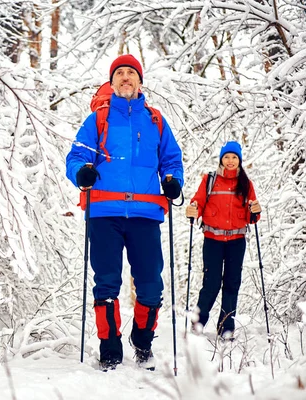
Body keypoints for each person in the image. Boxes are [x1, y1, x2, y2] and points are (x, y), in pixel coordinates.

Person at [65, 54, 184, 371]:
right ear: (112, 81)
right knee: (106, 282)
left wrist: (173, 181)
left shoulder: (155, 120)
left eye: (131, 72)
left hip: (146, 213)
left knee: (150, 285)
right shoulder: (99, 119)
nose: (125, 77)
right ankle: (110, 348)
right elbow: (76, 156)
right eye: (119, 73)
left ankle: (142, 342)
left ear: (140, 81)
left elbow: (171, 159)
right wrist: (81, 173)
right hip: (104, 211)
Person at [186, 141, 261, 340]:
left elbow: (252, 212)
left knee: (232, 283)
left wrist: (255, 212)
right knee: (211, 283)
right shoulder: (210, 180)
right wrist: (193, 210)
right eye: (227, 157)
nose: (230, 161)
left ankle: (226, 328)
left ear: (239, 160)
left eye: (234, 157)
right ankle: (198, 323)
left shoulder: (246, 184)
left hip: (237, 241)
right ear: (221, 159)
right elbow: (198, 202)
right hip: (213, 240)